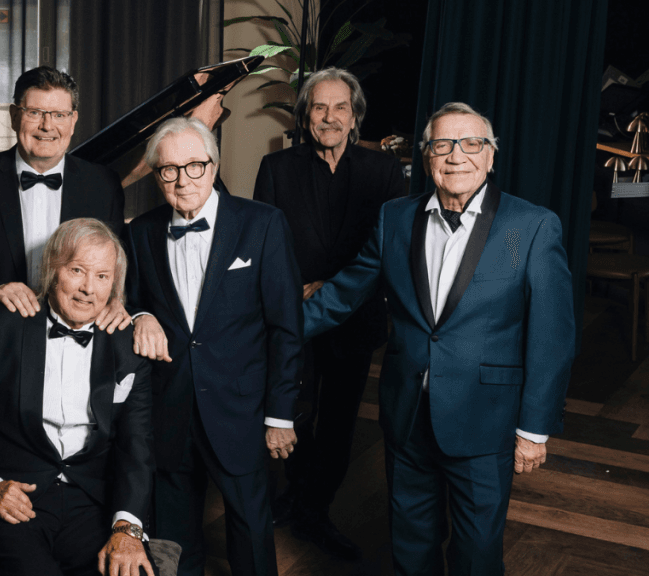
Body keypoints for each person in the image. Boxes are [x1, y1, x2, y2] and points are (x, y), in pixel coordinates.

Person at [301, 102, 575, 575]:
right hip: (407, 415)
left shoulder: (529, 227)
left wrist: (534, 429)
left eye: (472, 144)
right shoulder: (395, 219)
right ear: (427, 157)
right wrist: (261, 330)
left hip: (485, 421)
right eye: (443, 145)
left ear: (491, 156)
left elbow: (552, 335)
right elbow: (341, 296)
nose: (457, 156)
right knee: (410, 545)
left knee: (476, 555)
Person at [0, 218, 156, 576]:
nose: (88, 289)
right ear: (52, 269)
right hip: (14, 497)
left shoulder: (127, 346)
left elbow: (137, 446)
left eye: (102, 276)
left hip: (91, 502)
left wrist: (127, 526)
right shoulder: (0, 325)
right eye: (77, 270)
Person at [124, 117, 302, 576]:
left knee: (250, 533)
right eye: (169, 170)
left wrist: (280, 415)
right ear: (156, 174)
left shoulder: (262, 223)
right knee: (174, 539)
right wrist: (141, 316)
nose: (183, 179)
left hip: (240, 408)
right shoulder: (141, 232)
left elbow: (286, 326)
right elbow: (133, 300)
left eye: (195, 166)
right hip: (170, 408)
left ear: (214, 164)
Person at [253, 67, 403, 558]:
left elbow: (392, 252)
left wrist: (334, 286)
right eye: (320, 107)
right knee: (295, 414)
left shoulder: (383, 171)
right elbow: (263, 246)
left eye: (341, 107)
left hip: (353, 319)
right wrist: (294, 288)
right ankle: (298, 496)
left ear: (355, 116)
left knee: (339, 422)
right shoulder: (276, 168)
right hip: (291, 316)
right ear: (305, 116)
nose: (330, 117)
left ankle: (314, 509)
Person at [0, 66, 128, 357]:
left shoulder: (103, 184)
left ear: (73, 121)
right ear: (14, 116)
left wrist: (118, 299)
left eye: (59, 115)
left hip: (76, 351)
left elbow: (116, 267)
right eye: (35, 112)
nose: (47, 126)